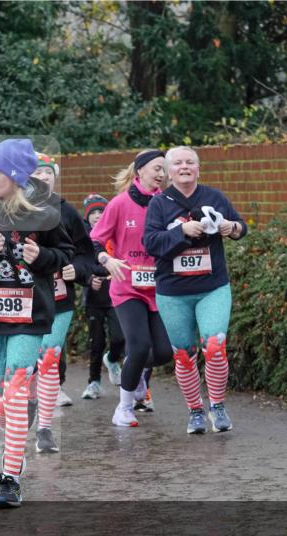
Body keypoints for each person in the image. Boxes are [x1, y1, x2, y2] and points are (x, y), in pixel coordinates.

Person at [0, 138, 73, 508]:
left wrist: (44, 258)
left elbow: (65, 255)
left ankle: (9, 477)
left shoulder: (46, 212)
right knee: (0, 400)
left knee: (17, 387)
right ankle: (15, 447)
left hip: (31, 314)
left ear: (14, 175)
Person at [143, 146, 248, 434]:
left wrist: (231, 227)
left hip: (212, 287)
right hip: (173, 292)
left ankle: (217, 405)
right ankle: (195, 411)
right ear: (168, 172)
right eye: (178, 163)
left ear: (198, 169)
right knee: (184, 353)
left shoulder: (214, 197)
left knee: (214, 345)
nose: (185, 166)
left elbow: (241, 228)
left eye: (190, 162)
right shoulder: (159, 204)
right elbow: (151, 243)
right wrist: (182, 232)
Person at [92, 149, 173, 427]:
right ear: (139, 171)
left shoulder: (167, 203)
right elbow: (94, 242)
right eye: (156, 168)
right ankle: (124, 409)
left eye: (164, 169)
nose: (161, 174)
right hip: (127, 287)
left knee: (164, 352)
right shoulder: (119, 204)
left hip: (159, 287)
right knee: (138, 346)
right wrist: (107, 259)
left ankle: (134, 369)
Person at [27, 153, 96, 452]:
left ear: (55, 178)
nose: (42, 178)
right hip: (21, 300)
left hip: (58, 298)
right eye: (37, 173)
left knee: (50, 356)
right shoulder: (12, 209)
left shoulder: (65, 211)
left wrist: (76, 270)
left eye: (48, 174)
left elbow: (87, 253)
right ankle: (25, 406)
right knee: (25, 365)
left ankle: (45, 427)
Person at [79, 193, 126, 401]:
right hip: (94, 298)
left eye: (101, 211)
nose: (97, 216)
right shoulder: (82, 238)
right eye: (93, 213)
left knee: (119, 337)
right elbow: (80, 265)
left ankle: (113, 359)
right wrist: (90, 279)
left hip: (115, 294)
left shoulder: (113, 232)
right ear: (86, 216)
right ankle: (94, 383)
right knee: (96, 342)